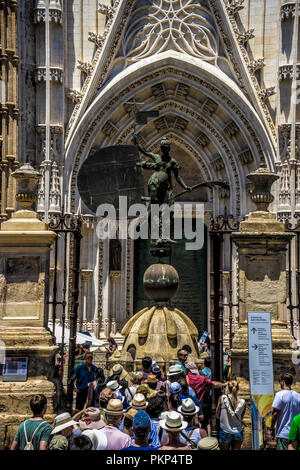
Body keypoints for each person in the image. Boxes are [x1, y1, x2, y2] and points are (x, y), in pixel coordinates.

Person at [270, 373, 300, 450]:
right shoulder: (298, 396)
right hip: (295, 434)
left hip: (283, 433)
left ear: (282, 382)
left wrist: (272, 428)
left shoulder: (279, 395)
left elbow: (275, 414)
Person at [216, 380, 246, 450]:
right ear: (238, 389)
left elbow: (217, 415)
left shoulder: (222, 398)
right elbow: (241, 417)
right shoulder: (243, 402)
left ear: (228, 389)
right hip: (238, 432)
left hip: (225, 431)